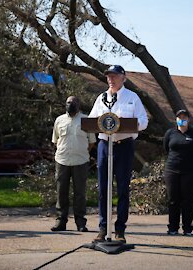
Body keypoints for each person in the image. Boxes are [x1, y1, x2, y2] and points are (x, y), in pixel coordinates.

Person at [88, 65, 148, 243]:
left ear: (124, 78)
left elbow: (143, 121)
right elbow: (91, 120)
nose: (111, 79)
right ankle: (102, 228)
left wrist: (126, 124)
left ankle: (120, 230)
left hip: (124, 146)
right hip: (105, 146)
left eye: (114, 76)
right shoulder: (101, 98)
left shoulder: (132, 97)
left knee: (122, 189)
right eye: (108, 76)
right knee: (103, 189)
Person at [50, 96, 96, 232]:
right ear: (65, 104)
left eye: (74, 102)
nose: (71, 105)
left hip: (80, 161)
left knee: (80, 193)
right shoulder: (59, 120)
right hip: (62, 160)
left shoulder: (86, 120)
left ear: (79, 104)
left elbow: (92, 142)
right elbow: (55, 140)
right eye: (69, 102)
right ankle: (60, 221)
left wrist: (80, 152)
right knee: (61, 192)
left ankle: (80, 222)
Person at [163, 109, 193, 236]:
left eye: (184, 117)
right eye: (179, 117)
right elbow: (165, 148)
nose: (182, 119)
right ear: (176, 119)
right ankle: (173, 228)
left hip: (190, 171)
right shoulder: (170, 133)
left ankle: (187, 228)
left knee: (187, 200)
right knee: (173, 199)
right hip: (172, 170)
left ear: (189, 120)